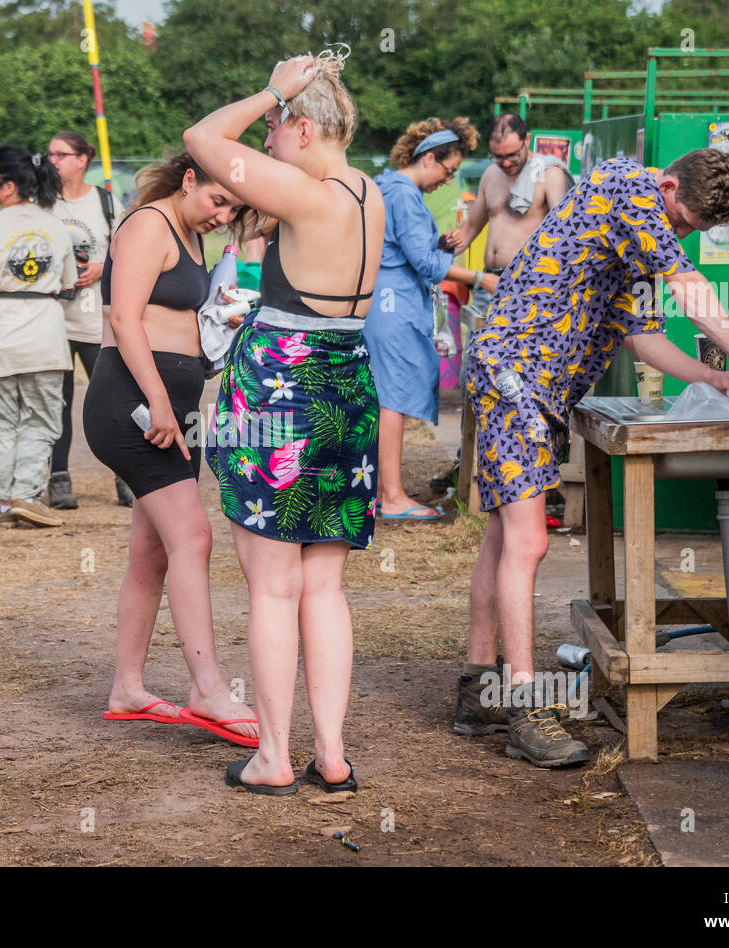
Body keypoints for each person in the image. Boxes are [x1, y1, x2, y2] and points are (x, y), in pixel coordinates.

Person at [455, 149, 729, 767]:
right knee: (529, 542)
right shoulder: (628, 189)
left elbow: (642, 334)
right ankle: (527, 707)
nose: (682, 235)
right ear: (666, 186)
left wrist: (712, 379)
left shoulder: (636, 233)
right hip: (516, 373)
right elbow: (689, 288)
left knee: (506, 535)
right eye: (685, 220)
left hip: (536, 381)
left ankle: (480, 691)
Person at [184, 49, 384, 795]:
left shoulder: (310, 192)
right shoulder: (368, 191)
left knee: (272, 588)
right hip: (347, 388)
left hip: (282, 393)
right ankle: (330, 754)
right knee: (323, 587)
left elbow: (203, 140)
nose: (264, 141)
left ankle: (272, 757)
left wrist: (271, 89)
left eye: (273, 128)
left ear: (303, 128)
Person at [84, 151, 260, 744]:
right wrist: (159, 401)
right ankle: (208, 688)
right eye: (217, 200)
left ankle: (127, 688)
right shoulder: (146, 225)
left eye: (233, 208)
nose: (222, 215)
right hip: (133, 404)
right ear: (190, 177)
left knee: (151, 550)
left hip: (171, 405)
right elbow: (124, 319)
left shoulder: (187, 232)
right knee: (192, 536)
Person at [365, 117, 498, 521]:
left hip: (386, 300)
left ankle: (377, 491)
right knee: (390, 400)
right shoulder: (404, 194)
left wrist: (439, 246)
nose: (448, 180)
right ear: (428, 159)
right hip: (393, 305)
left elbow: (415, 249)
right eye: (449, 170)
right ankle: (392, 497)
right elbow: (424, 263)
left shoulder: (388, 186)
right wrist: (481, 277)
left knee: (385, 397)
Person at [0, 145, 75, 529]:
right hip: (45, 335)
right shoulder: (56, 226)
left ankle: (9, 499)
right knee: (40, 420)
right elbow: (69, 282)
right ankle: (26, 493)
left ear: (8, 186)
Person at [46, 130, 133, 509]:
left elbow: (129, 252)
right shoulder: (42, 204)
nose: (52, 161)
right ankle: (58, 478)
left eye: (60, 154)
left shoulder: (105, 202)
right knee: (57, 403)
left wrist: (101, 267)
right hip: (51, 323)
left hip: (96, 323)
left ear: (83, 160)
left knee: (113, 402)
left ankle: (126, 475)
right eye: (48, 154)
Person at [442, 114, 573, 315]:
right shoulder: (490, 175)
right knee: (480, 345)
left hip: (529, 286)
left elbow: (565, 237)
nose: (505, 163)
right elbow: (470, 228)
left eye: (512, 155)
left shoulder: (550, 175)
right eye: (498, 156)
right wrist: (439, 253)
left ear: (526, 140)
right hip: (488, 284)